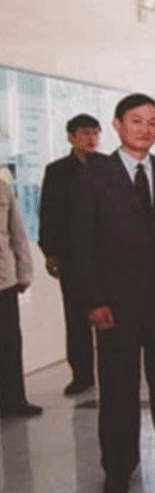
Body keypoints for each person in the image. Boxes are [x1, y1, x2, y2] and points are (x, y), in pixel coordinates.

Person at [72, 93, 155, 493]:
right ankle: (118, 465)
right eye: (136, 121)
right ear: (117, 124)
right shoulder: (94, 176)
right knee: (118, 388)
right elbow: (80, 245)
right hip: (115, 305)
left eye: (153, 122)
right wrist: (93, 301)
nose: (145, 129)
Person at [38, 113, 101, 396]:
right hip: (72, 255)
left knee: (111, 314)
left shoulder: (108, 166)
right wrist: (50, 251)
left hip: (106, 254)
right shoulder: (57, 171)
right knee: (76, 317)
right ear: (71, 137)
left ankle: (114, 370)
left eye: (95, 133)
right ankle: (82, 374)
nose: (91, 138)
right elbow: (48, 213)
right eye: (85, 133)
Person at [0, 178, 41, 419]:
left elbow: (17, 234)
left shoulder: (2, 188)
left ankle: (14, 400)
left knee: (9, 343)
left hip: (4, 279)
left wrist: (24, 271)